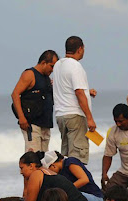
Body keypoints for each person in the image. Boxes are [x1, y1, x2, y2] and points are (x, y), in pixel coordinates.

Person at [19, 151, 95, 201]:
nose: (21, 172)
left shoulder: (36, 175)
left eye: (22, 168)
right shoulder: (47, 172)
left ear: (31, 165)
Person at [53, 36, 97, 164]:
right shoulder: (75, 66)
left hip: (61, 115)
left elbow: (66, 88)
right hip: (75, 115)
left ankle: (66, 183)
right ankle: (77, 183)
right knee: (77, 158)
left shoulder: (58, 65)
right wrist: (89, 117)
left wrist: (87, 93)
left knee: (66, 157)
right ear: (80, 49)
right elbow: (78, 92)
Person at [11, 50, 59, 152]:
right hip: (32, 124)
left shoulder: (46, 78)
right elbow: (15, 94)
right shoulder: (29, 74)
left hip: (46, 123)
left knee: (44, 159)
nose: (53, 69)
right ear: (43, 63)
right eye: (51, 66)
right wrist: (22, 118)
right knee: (33, 159)